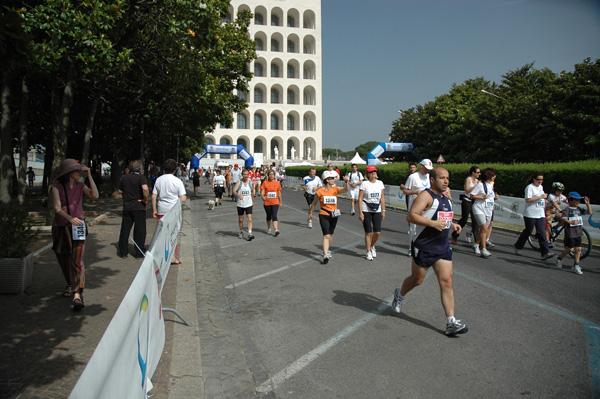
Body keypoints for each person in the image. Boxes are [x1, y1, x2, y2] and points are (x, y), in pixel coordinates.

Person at [391, 167, 468, 336]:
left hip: (442, 247)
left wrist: (453, 224)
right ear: (432, 180)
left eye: (447, 178)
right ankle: (400, 294)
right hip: (424, 245)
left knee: (447, 281)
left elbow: (443, 216)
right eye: (442, 178)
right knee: (417, 280)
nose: (446, 181)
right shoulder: (426, 196)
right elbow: (411, 216)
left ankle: (451, 322)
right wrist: (433, 224)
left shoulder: (446, 196)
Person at [51, 159, 99, 311]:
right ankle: (70, 284)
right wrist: (70, 218)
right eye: (77, 170)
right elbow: (57, 208)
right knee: (64, 257)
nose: (79, 173)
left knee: (77, 259)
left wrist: (89, 175)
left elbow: (94, 196)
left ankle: (77, 293)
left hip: (78, 226)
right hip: (62, 226)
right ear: (68, 173)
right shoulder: (56, 187)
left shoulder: (80, 185)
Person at [309, 170, 350, 263]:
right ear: (327, 180)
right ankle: (325, 254)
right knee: (326, 235)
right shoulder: (320, 192)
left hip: (334, 214)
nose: (334, 180)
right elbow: (314, 204)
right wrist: (310, 213)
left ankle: (327, 250)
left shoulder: (335, 189)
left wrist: (346, 182)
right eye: (332, 178)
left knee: (330, 235)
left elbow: (345, 190)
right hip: (324, 214)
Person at [152, 159, 187, 264]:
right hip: (173, 211)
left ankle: (160, 254)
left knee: (161, 234)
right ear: (176, 169)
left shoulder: (159, 180)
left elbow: (154, 196)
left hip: (161, 210)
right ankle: (173, 257)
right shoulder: (177, 181)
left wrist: (154, 210)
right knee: (173, 234)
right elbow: (183, 198)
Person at [514, 172, 554, 260]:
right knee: (528, 231)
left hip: (540, 213)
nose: (540, 181)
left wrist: (544, 200)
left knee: (541, 232)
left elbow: (541, 197)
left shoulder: (540, 187)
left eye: (542, 179)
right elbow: (528, 200)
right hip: (530, 213)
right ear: (534, 179)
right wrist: (540, 197)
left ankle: (545, 253)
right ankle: (518, 246)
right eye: (538, 179)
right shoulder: (529, 187)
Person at [117, 160, 149, 259]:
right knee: (140, 230)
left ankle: (123, 251)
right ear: (140, 169)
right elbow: (145, 189)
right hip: (139, 206)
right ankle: (139, 252)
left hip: (127, 205)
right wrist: (145, 200)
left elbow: (119, 191)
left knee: (125, 229)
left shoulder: (124, 178)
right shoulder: (141, 178)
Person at [556, 192, 592, 275]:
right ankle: (559, 258)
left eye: (579, 200)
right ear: (571, 201)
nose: (578, 202)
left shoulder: (579, 208)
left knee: (578, 249)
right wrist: (571, 222)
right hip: (570, 232)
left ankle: (576, 265)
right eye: (576, 200)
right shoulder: (567, 209)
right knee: (570, 249)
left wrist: (587, 204)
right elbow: (564, 219)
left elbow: (589, 212)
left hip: (578, 232)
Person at [403, 159, 433, 256]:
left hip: (427, 206)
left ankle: (424, 247)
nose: (428, 170)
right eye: (426, 168)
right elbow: (405, 191)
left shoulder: (429, 177)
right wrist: (415, 192)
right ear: (421, 166)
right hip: (415, 205)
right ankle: (412, 247)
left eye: (429, 169)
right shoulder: (413, 177)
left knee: (426, 227)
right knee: (413, 228)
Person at [358, 165, 386, 261]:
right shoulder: (364, 184)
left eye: (374, 171)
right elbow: (360, 198)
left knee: (377, 232)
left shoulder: (380, 183)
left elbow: (382, 197)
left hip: (377, 209)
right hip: (366, 209)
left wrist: (383, 210)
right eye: (371, 172)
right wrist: (360, 212)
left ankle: (372, 245)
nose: (373, 173)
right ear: (367, 174)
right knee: (368, 232)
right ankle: (368, 251)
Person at [469, 168, 498, 258]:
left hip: (488, 209)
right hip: (479, 209)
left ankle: (476, 244)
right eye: (493, 175)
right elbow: (472, 195)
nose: (495, 177)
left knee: (483, 230)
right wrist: (482, 197)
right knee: (484, 229)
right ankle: (484, 249)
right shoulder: (480, 185)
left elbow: (490, 197)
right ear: (489, 176)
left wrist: (495, 197)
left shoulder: (491, 186)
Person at [452, 166, 480, 245]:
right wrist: (476, 186)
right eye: (477, 172)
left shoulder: (477, 181)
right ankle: (455, 234)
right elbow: (467, 190)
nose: (479, 174)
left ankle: (477, 242)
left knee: (475, 221)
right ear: (473, 173)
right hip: (466, 201)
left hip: (473, 201)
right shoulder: (468, 179)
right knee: (464, 219)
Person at [233, 169, 256, 241]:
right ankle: (242, 231)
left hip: (248, 203)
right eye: (244, 174)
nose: (246, 176)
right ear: (242, 175)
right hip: (240, 204)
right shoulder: (239, 182)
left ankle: (250, 233)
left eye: (247, 174)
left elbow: (252, 191)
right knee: (240, 219)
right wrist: (238, 195)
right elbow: (234, 191)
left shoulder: (250, 182)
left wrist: (252, 200)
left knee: (249, 219)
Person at [261, 170, 282, 236]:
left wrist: (280, 202)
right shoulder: (265, 183)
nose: (271, 176)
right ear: (268, 175)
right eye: (270, 174)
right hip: (267, 202)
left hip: (275, 202)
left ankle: (276, 230)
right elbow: (262, 191)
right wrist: (263, 196)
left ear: (274, 175)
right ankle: (269, 228)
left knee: (274, 215)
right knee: (268, 216)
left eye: (272, 174)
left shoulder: (277, 183)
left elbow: (279, 193)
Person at [545, 182, 567, 247]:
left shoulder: (561, 196)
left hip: (556, 212)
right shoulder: (551, 196)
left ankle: (555, 228)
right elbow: (554, 203)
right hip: (549, 211)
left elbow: (568, 202)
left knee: (564, 220)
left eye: (561, 191)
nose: (560, 192)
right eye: (558, 190)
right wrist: (560, 209)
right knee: (547, 226)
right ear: (554, 190)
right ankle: (547, 241)